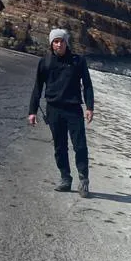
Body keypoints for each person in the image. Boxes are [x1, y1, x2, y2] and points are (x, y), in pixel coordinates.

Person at [28, 28, 95, 198]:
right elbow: (37, 87)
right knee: (60, 146)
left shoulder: (78, 61)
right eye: (55, 42)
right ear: (51, 44)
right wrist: (32, 111)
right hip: (54, 110)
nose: (59, 44)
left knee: (80, 146)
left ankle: (83, 179)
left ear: (66, 42)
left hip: (73, 109)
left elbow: (87, 85)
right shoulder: (45, 62)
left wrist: (89, 107)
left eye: (61, 41)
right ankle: (65, 178)